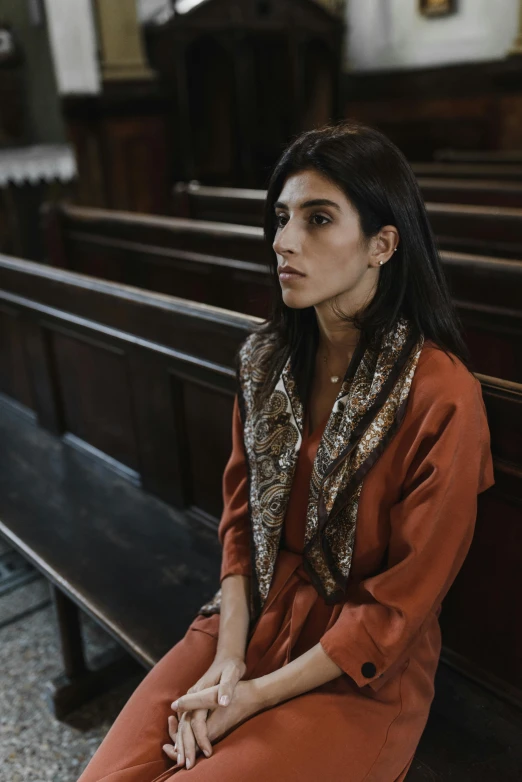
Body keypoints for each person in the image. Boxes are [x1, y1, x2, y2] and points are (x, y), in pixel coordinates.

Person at [77, 122, 494, 782]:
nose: (284, 241)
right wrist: (227, 662)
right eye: (281, 218)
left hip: (359, 665)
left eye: (318, 218)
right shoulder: (269, 364)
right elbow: (242, 528)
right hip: (255, 616)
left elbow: (398, 607)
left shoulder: (442, 395)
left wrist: (251, 700)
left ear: (382, 244)